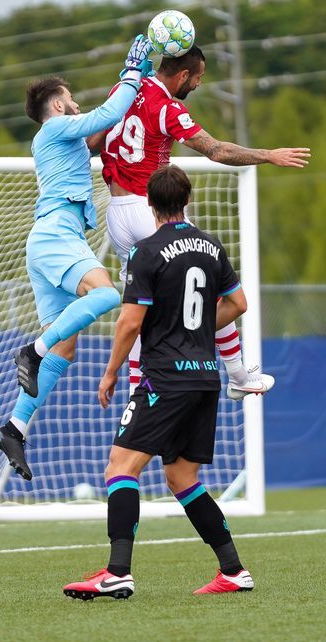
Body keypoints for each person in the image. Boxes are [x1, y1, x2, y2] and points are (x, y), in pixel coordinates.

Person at [63, 165, 255, 600]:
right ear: (186, 201)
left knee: (120, 467)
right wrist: (199, 332)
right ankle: (233, 570)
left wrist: (111, 372)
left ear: (150, 206)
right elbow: (238, 303)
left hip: (165, 378)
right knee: (181, 477)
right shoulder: (211, 246)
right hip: (205, 378)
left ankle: (117, 572)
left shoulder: (146, 252)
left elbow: (130, 322)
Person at [86, 44, 309, 399]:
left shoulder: (125, 88)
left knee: (140, 306)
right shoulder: (168, 108)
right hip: (152, 211)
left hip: (116, 214)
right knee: (206, 292)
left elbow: (92, 139)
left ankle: (136, 397)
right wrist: (268, 155)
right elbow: (216, 150)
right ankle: (237, 374)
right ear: (184, 75)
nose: (200, 84)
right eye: (200, 77)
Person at [0, 35, 154, 481]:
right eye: (71, 99)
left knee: (67, 344)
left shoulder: (63, 139)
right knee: (107, 296)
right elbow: (106, 115)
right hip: (57, 237)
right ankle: (31, 351)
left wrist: (134, 88)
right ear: (57, 107)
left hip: (46, 242)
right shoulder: (53, 129)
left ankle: (15, 427)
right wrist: (131, 72)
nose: (76, 104)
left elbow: (101, 129)